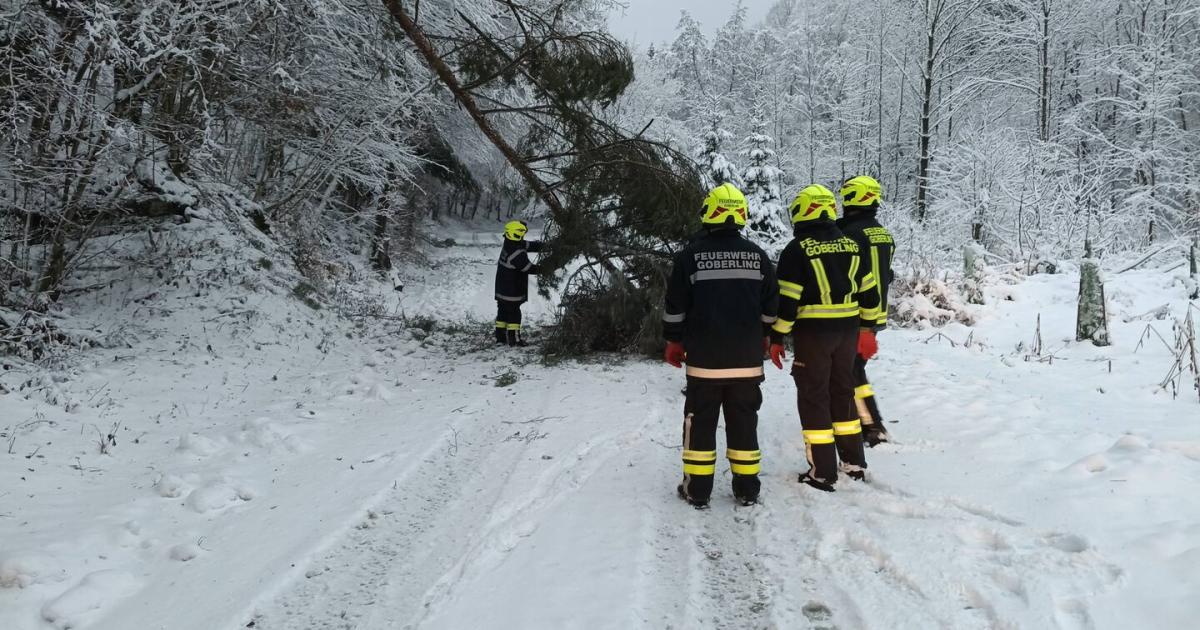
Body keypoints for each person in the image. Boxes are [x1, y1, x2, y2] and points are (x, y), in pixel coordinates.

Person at [663, 183, 778, 508]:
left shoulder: (690, 257)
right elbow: (771, 307)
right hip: (747, 361)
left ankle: (697, 489)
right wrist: (767, 336)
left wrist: (673, 341)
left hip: (704, 362)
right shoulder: (758, 256)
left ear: (709, 214)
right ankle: (747, 489)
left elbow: (675, 306)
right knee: (744, 422)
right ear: (741, 216)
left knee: (699, 423)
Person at [768, 184, 881, 492]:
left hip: (814, 334)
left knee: (814, 397)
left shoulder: (797, 249)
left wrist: (777, 336)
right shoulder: (852, 244)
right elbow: (870, 293)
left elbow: (788, 301)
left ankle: (822, 472)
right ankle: (854, 462)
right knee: (843, 392)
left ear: (803, 212)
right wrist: (867, 330)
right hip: (847, 331)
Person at [836, 176, 896, 446]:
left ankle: (871, 425)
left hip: (856, 314)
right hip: (877, 313)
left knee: (852, 371)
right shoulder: (882, 233)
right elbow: (888, 273)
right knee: (852, 368)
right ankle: (855, 419)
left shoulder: (850, 234)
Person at [494, 220, 545, 347]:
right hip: (512, 290)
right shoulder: (516, 253)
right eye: (521, 233)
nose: (522, 236)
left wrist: (546, 246)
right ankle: (515, 340)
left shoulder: (510, 243)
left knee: (502, 312)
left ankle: (500, 337)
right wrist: (548, 267)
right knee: (514, 315)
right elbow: (529, 268)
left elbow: (528, 245)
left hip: (502, 288)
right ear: (516, 234)